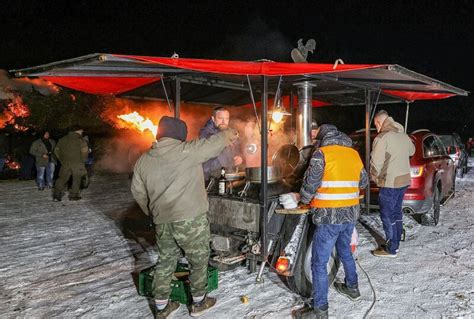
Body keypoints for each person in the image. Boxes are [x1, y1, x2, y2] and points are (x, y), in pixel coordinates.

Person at [131, 116, 237, 318]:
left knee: (165, 261)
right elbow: (214, 144)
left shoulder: (143, 161)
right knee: (198, 260)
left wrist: (153, 213)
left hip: (162, 221)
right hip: (190, 219)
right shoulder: (187, 151)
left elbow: (138, 193)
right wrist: (229, 132)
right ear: (180, 135)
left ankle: (162, 308)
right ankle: (199, 302)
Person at [297, 124, 368, 318]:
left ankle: (320, 309)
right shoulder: (353, 154)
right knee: (345, 251)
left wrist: (303, 199)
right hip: (350, 214)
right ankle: (352, 288)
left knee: (319, 263)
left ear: (322, 138)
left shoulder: (322, 153)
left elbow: (310, 184)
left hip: (329, 217)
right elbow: (364, 182)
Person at [370, 110, 415, 257]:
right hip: (403, 180)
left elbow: (375, 164)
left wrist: (375, 179)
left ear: (378, 122)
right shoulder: (402, 135)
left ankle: (391, 248)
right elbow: (412, 151)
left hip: (390, 183)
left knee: (387, 215)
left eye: (375, 124)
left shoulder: (382, 138)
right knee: (396, 212)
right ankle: (396, 243)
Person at [199, 106, 243, 180]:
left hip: (227, 174)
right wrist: (227, 136)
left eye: (226, 119)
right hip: (210, 176)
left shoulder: (230, 131)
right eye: (220, 118)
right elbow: (214, 142)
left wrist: (240, 157)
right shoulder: (205, 132)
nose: (224, 121)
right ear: (213, 119)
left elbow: (238, 149)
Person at [53, 126, 89, 201]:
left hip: (65, 163)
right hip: (77, 163)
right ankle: (73, 196)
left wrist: (61, 159)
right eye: (81, 131)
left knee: (62, 178)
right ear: (77, 131)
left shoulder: (62, 139)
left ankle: (56, 195)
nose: (82, 132)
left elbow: (56, 150)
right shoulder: (80, 140)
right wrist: (83, 160)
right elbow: (85, 152)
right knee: (77, 179)